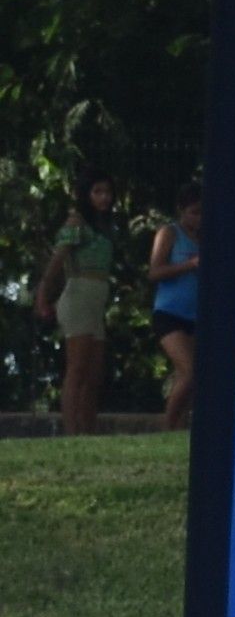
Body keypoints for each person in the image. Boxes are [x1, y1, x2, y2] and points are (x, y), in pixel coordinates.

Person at [30, 177, 121, 437]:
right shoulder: (76, 223)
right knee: (77, 368)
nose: (104, 197)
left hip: (96, 303)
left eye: (108, 192)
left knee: (94, 374)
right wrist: (43, 296)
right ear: (86, 194)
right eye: (97, 191)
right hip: (78, 297)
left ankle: (88, 432)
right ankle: (71, 433)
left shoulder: (103, 226)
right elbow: (57, 261)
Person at [145, 184, 202, 431]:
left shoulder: (205, 238)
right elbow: (155, 272)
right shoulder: (170, 233)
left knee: (187, 378)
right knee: (190, 371)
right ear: (182, 211)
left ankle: (180, 428)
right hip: (169, 313)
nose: (199, 219)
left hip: (195, 315)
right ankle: (166, 426)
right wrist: (189, 265)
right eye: (194, 212)